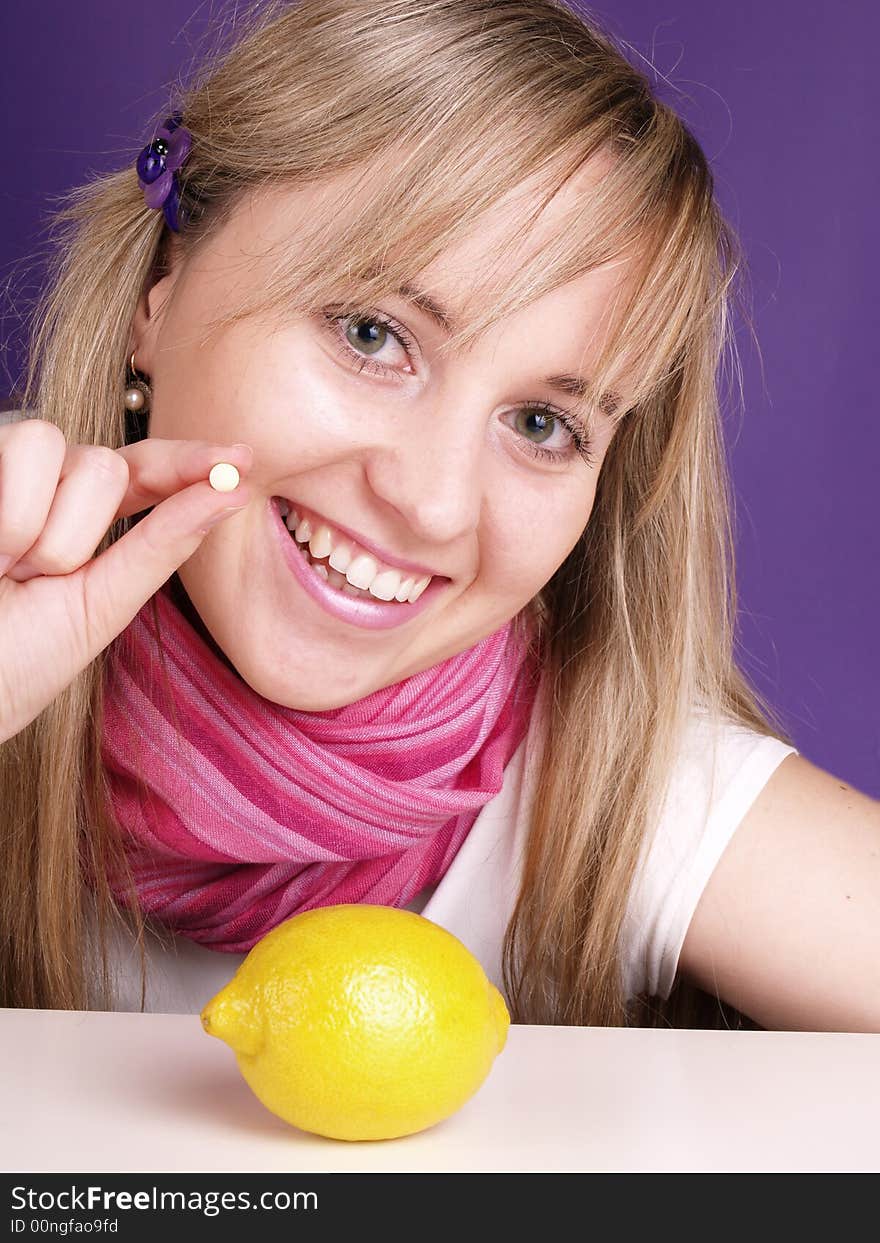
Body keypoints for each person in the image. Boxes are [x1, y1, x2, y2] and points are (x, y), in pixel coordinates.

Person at [0, 0, 877, 1032]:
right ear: (160, 288)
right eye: (372, 333)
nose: (433, 502)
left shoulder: (612, 792)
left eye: (544, 423)